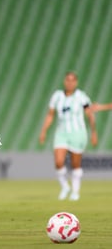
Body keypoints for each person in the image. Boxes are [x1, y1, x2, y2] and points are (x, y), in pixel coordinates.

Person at [39, 71, 97, 201]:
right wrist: (43, 130)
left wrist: (94, 132)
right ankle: (65, 187)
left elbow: (90, 115)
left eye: (72, 80)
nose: (69, 83)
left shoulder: (81, 97)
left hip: (78, 133)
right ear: (64, 81)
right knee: (59, 162)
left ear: (76, 82)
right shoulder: (57, 96)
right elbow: (50, 114)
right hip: (61, 133)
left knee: (75, 164)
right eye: (67, 80)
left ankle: (75, 191)